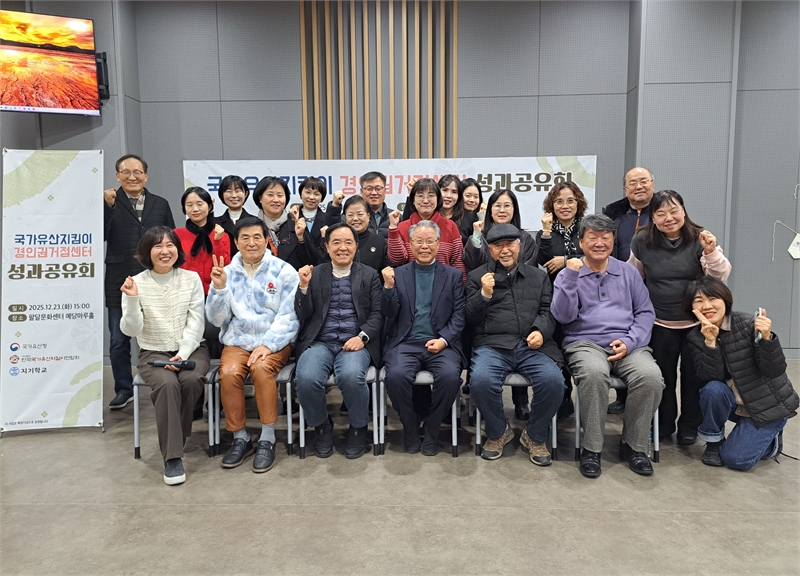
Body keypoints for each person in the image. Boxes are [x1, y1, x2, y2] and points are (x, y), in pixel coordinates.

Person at [551, 214, 664, 478]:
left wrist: (630, 341)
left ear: (613, 241)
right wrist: (571, 277)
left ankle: (634, 446)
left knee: (650, 377)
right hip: (584, 343)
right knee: (593, 374)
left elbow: (645, 312)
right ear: (581, 242)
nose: (599, 243)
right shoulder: (568, 273)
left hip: (627, 343)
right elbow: (563, 317)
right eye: (592, 237)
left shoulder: (628, 272)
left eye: (606, 237)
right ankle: (591, 449)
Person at [629, 190, 731, 445]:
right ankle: (663, 426)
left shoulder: (701, 238)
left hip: (697, 324)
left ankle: (689, 427)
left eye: (674, 211)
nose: (669, 218)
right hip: (659, 322)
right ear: (653, 217)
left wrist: (711, 252)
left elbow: (719, 277)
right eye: (661, 213)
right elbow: (633, 278)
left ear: (683, 211)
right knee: (662, 377)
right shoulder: (641, 240)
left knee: (694, 376)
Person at [206, 217, 300, 473]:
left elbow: (289, 316)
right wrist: (219, 289)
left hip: (274, 341)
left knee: (260, 369)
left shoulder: (283, 271)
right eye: (245, 238)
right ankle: (240, 437)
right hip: (238, 340)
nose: (251, 243)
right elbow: (216, 320)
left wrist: (268, 345)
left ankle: (267, 438)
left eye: (257, 237)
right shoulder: (226, 272)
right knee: (228, 373)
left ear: (266, 240)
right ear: (236, 242)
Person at [467, 224, 565, 465]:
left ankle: (535, 435)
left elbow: (548, 311)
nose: (505, 250)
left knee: (554, 381)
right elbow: (469, 318)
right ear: (490, 250)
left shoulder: (538, 276)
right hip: (492, 345)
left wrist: (540, 331)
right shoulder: (477, 277)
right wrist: (484, 295)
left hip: (532, 345)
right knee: (480, 381)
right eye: (498, 246)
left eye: (510, 244)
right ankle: (498, 431)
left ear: (519, 246)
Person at [119, 226, 209, 485]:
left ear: (177, 249)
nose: (165, 251)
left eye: (170, 245)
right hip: (152, 351)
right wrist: (132, 300)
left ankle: (175, 436)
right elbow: (130, 330)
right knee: (168, 384)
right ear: (147, 251)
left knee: (191, 379)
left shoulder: (191, 278)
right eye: (158, 246)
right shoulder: (135, 283)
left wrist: (182, 353)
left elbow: (196, 321)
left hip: (192, 348)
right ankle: (172, 457)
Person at [684, 277, 797, 470]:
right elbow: (710, 377)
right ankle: (714, 442)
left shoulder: (747, 324)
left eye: (712, 298)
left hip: (766, 406)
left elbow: (774, 370)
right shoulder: (696, 336)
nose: (707, 306)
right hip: (736, 403)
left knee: (736, 460)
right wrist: (710, 342)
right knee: (712, 390)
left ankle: (772, 443)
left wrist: (767, 339)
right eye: (699, 301)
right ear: (691, 307)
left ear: (725, 300)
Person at [294, 223, 383, 459]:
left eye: (348, 242)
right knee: (306, 378)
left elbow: (377, 314)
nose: (342, 248)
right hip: (321, 341)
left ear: (356, 246)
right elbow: (303, 314)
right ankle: (322, 426)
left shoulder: (369, 275)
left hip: (355, 342)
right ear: (326, 246)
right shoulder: (315, 273)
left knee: (351, 377)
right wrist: (303, 287)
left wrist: (362, 337)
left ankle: (358, 428)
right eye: (336, 242)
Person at [382, 220, 465, 455]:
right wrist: (388, 288)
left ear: (439, 244)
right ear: (410, 244)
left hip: (441, 344)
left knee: (450, 378)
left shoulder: (453, 276)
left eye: (430, 241)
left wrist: (444, 339)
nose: (424, 246)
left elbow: (459, 315)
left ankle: (432, 428)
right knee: (395, 377)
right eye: (419, 241)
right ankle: (409, 427)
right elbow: (388, 313)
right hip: (406, 342)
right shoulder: (398, 274)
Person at [104, 154, 175, 410]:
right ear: (117, 176)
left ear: (146, 175)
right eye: (126, 172)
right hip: (119, 278)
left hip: (156, 279)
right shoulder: (108, 202)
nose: (132, 177)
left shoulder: (160, 203)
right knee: (118, 339)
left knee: (164, 333)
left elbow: (171, 240)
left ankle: (167, 383)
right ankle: (124, 389)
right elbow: (97, 235)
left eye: (137, 172)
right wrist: (106, 207)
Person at [463, 188, 537, 417]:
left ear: (514, 209)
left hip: (519, 298)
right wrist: (476, 237)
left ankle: (521, 400)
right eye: (497, 205)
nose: (502, 210)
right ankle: (479, 401)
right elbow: (471, 264)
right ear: (489, 209)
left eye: (507, 205)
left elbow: (527, 269)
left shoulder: (525, 238)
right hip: (485, 296)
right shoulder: (480, 234)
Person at [603, 167, 655, 414]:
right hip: (617, 286)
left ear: (653, 184)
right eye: (632, 183)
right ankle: (623, 398)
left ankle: (648, 407)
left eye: (644, 181)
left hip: (654, 288)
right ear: (625, 189)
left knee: (646, 348)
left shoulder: (662, 213)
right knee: (619, 336)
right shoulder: (615, 216)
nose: (639, 186)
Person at [387, 178, 466, 282]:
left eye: (431, 195)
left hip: (444, 285)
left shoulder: (450, 226)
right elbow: (397, 260)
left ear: (438, 199)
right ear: (413, 200)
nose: (425, 200)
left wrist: (460, 286)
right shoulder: (402, 227)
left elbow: (457, 263)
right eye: (420, 196)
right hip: (410, 284)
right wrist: (393, 229)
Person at [253, 176, 320, 270]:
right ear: (260, 198)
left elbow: (313, 261)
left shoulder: (295, 223)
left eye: (280, 195)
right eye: (270, 195)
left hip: (293, 278)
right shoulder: (252, 226)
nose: (276, 200)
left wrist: (301, 239)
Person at [174, 186, 230, 295]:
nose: (195, 209)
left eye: (200, 204)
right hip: (185, 292)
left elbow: (225, 266)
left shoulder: (222, 235)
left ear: (209, 206)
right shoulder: (176, 234)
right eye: (189, 205)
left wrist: (217, 241)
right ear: (184, 208)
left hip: (214, 292)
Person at [321, 194, 390, 272]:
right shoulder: (336, 242)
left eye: (360, 214)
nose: (355, 218)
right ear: (345, 217)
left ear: (368, 216)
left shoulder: (380, 241)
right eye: (350, 215)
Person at [325, 171, 392, 238]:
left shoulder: (394, 217)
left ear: (385, 191)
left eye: (378, 189)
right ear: (361, 191)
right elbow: (331, 231)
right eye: (369, 189)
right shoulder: (348, 217)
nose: (374, 193)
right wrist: (335, 206)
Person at [216, 175, 254, 257]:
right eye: (229, 191)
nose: (233, 195)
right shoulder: (215, 223)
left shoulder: (255, 222)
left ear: (246, 194)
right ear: (222, 195)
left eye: (238, 191)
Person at [297, 176, 328, 247]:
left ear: (322, 198)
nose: (311, 197)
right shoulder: (291, 217)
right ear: (301, 194)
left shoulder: (327, 219)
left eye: (316, 194)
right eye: (308, 192)